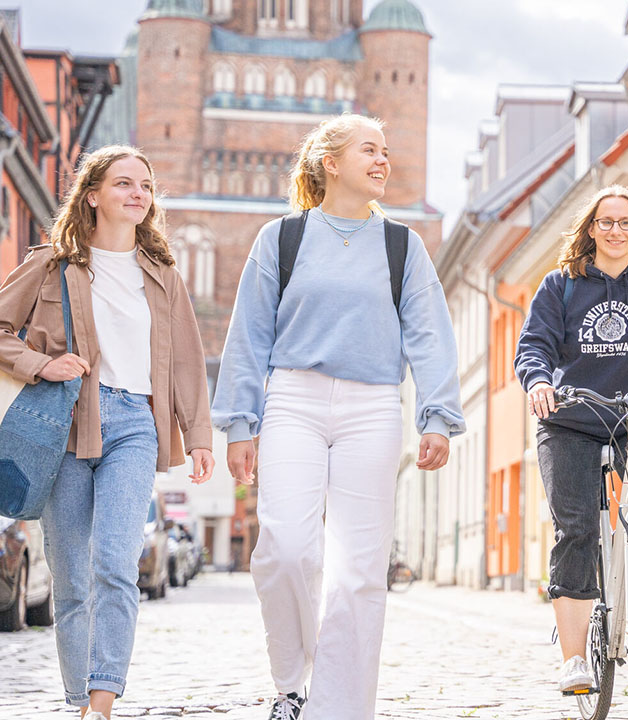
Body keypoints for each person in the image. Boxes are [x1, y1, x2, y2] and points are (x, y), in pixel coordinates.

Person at [212, 114, 465, 720]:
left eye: (386, 150)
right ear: (330, 162)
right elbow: (247, 333)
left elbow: (429, 335)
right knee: (286, 548)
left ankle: (340, 708)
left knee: (358, 569)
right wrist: (240, 423)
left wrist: (436, 414)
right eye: (368, 150)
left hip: (373, 406)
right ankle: (291, 682)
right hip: (292, 398)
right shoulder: (282, 238)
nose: (383, 160)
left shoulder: (402, 244)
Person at [0, 145, 214, 720]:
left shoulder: (164, 278)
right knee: (71, 578)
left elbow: (190, 362)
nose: (138, 193)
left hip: (135, 427)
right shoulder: (51, 265)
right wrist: (40, 364)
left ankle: (102, 703)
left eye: (145, 185)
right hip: (63, 428)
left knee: (115, 566)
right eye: (124, 183)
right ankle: (78, 701)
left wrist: (198, 435)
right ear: (92, 195)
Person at [515, 185, 628, 692]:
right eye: (606, 222)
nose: (615, 230)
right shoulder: (561, 286)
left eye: (625, 222)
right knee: (576, 530)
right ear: (590, 230)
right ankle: (575, 660)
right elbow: (534, 345)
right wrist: (539, 382)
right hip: (570, 418)